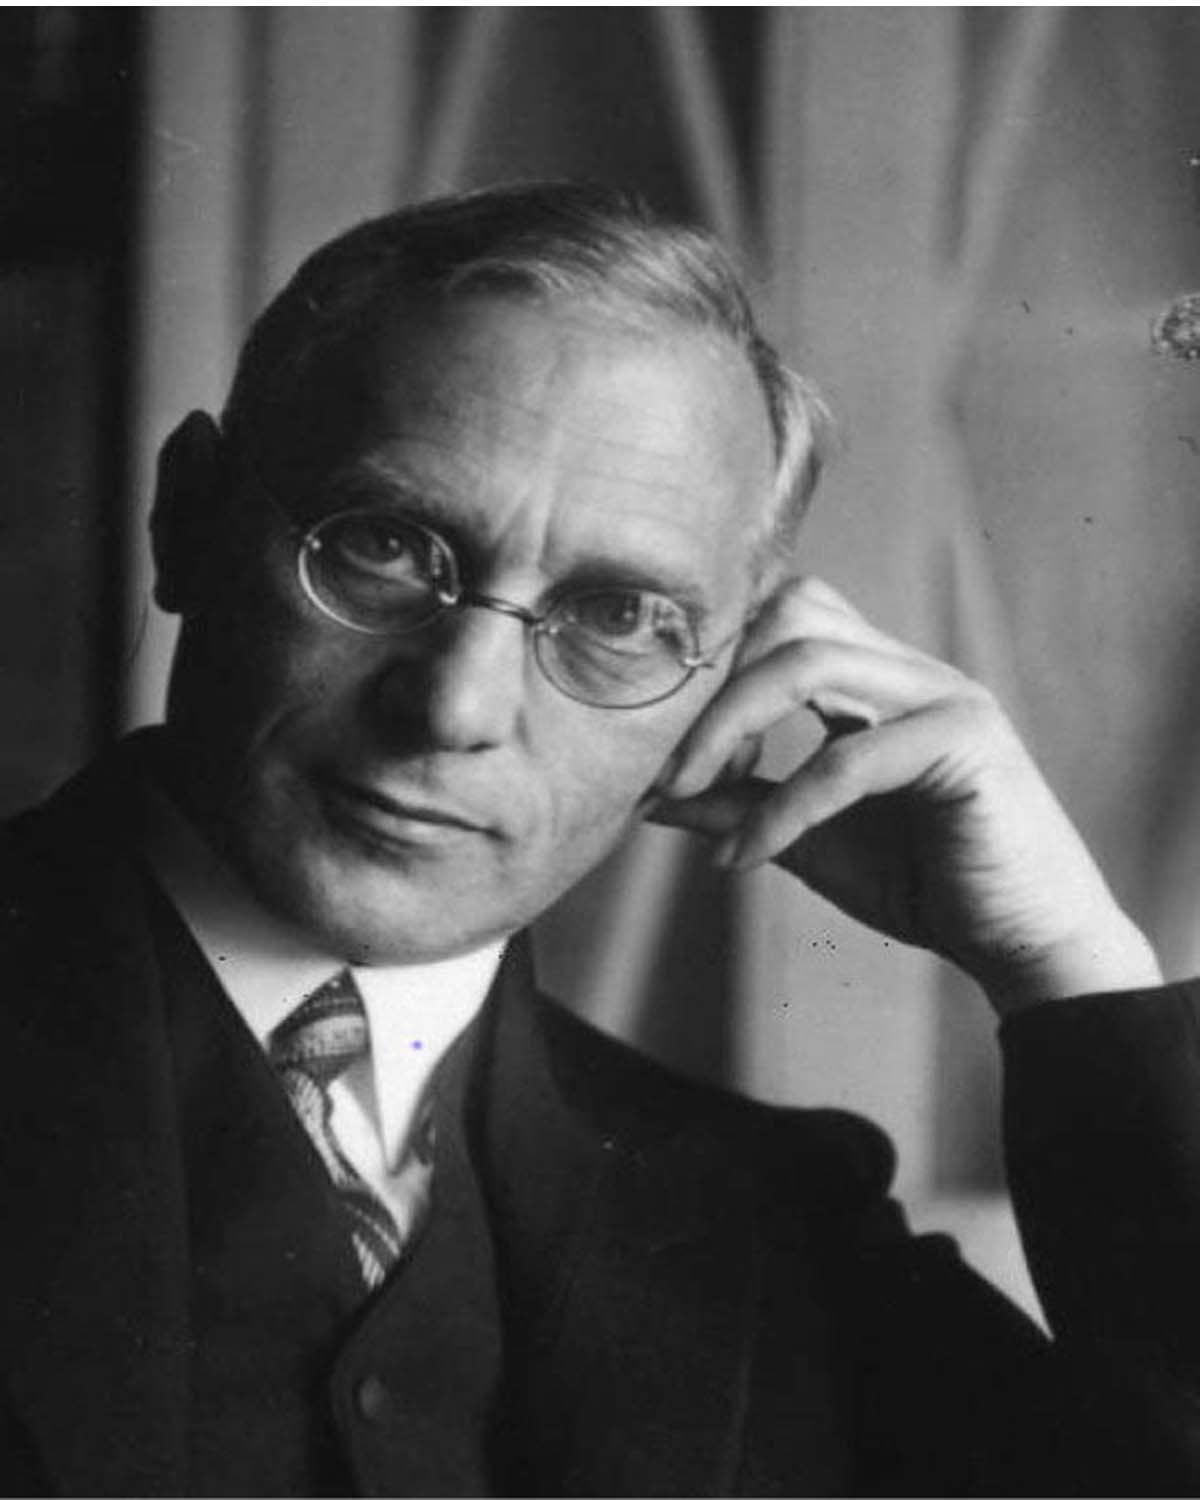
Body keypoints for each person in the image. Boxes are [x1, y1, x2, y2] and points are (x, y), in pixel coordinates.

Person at [0, 180, 1196, 1497]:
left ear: (730, 681)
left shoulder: (775, 1227)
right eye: (384, 546)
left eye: (619, 618)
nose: (456, 709)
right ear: (186, 517)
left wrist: (1065, 960)